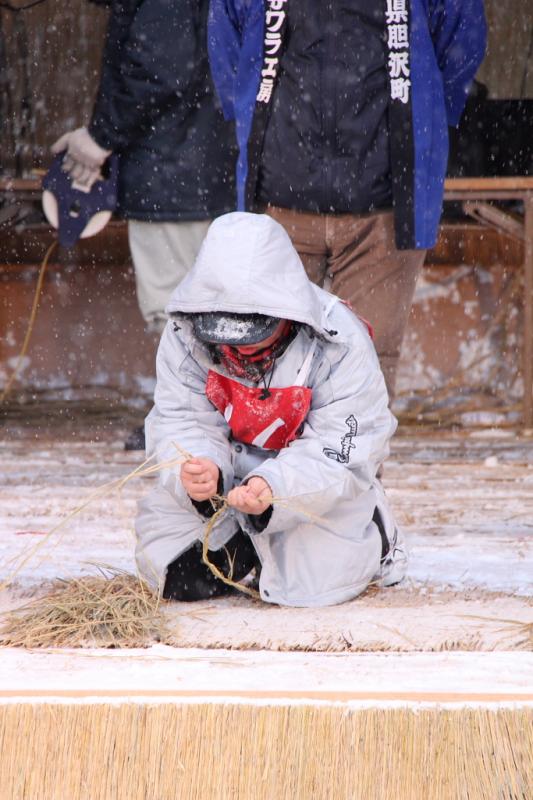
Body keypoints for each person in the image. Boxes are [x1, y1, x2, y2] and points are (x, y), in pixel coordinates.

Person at [207, 0, 487, 400]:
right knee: (266, 371)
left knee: (365, 371)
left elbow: (461, 41)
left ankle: (351, 464)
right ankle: (269, 465)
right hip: (277, 202)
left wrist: (425, 119)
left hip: (386, 207)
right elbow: (228, 49)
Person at [135, 212, 405, 607]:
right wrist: (198, 468)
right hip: (227, 486)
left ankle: (375, 530)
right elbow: (180, 417)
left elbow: (343, 445)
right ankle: (245, 543)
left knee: (314, 587)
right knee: (174, 574)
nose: (243, 349)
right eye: (229, 336)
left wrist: (274, 488)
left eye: (255, 334)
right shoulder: (184, 333)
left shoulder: (339, 341)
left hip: (306, 488)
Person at [52, 0, 237, 447]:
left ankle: (192, 425)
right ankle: (205, 417)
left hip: (173, 172)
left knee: (177, 307)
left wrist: (101, 136)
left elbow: (160, 67)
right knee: (201, 304)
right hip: (193, 166)